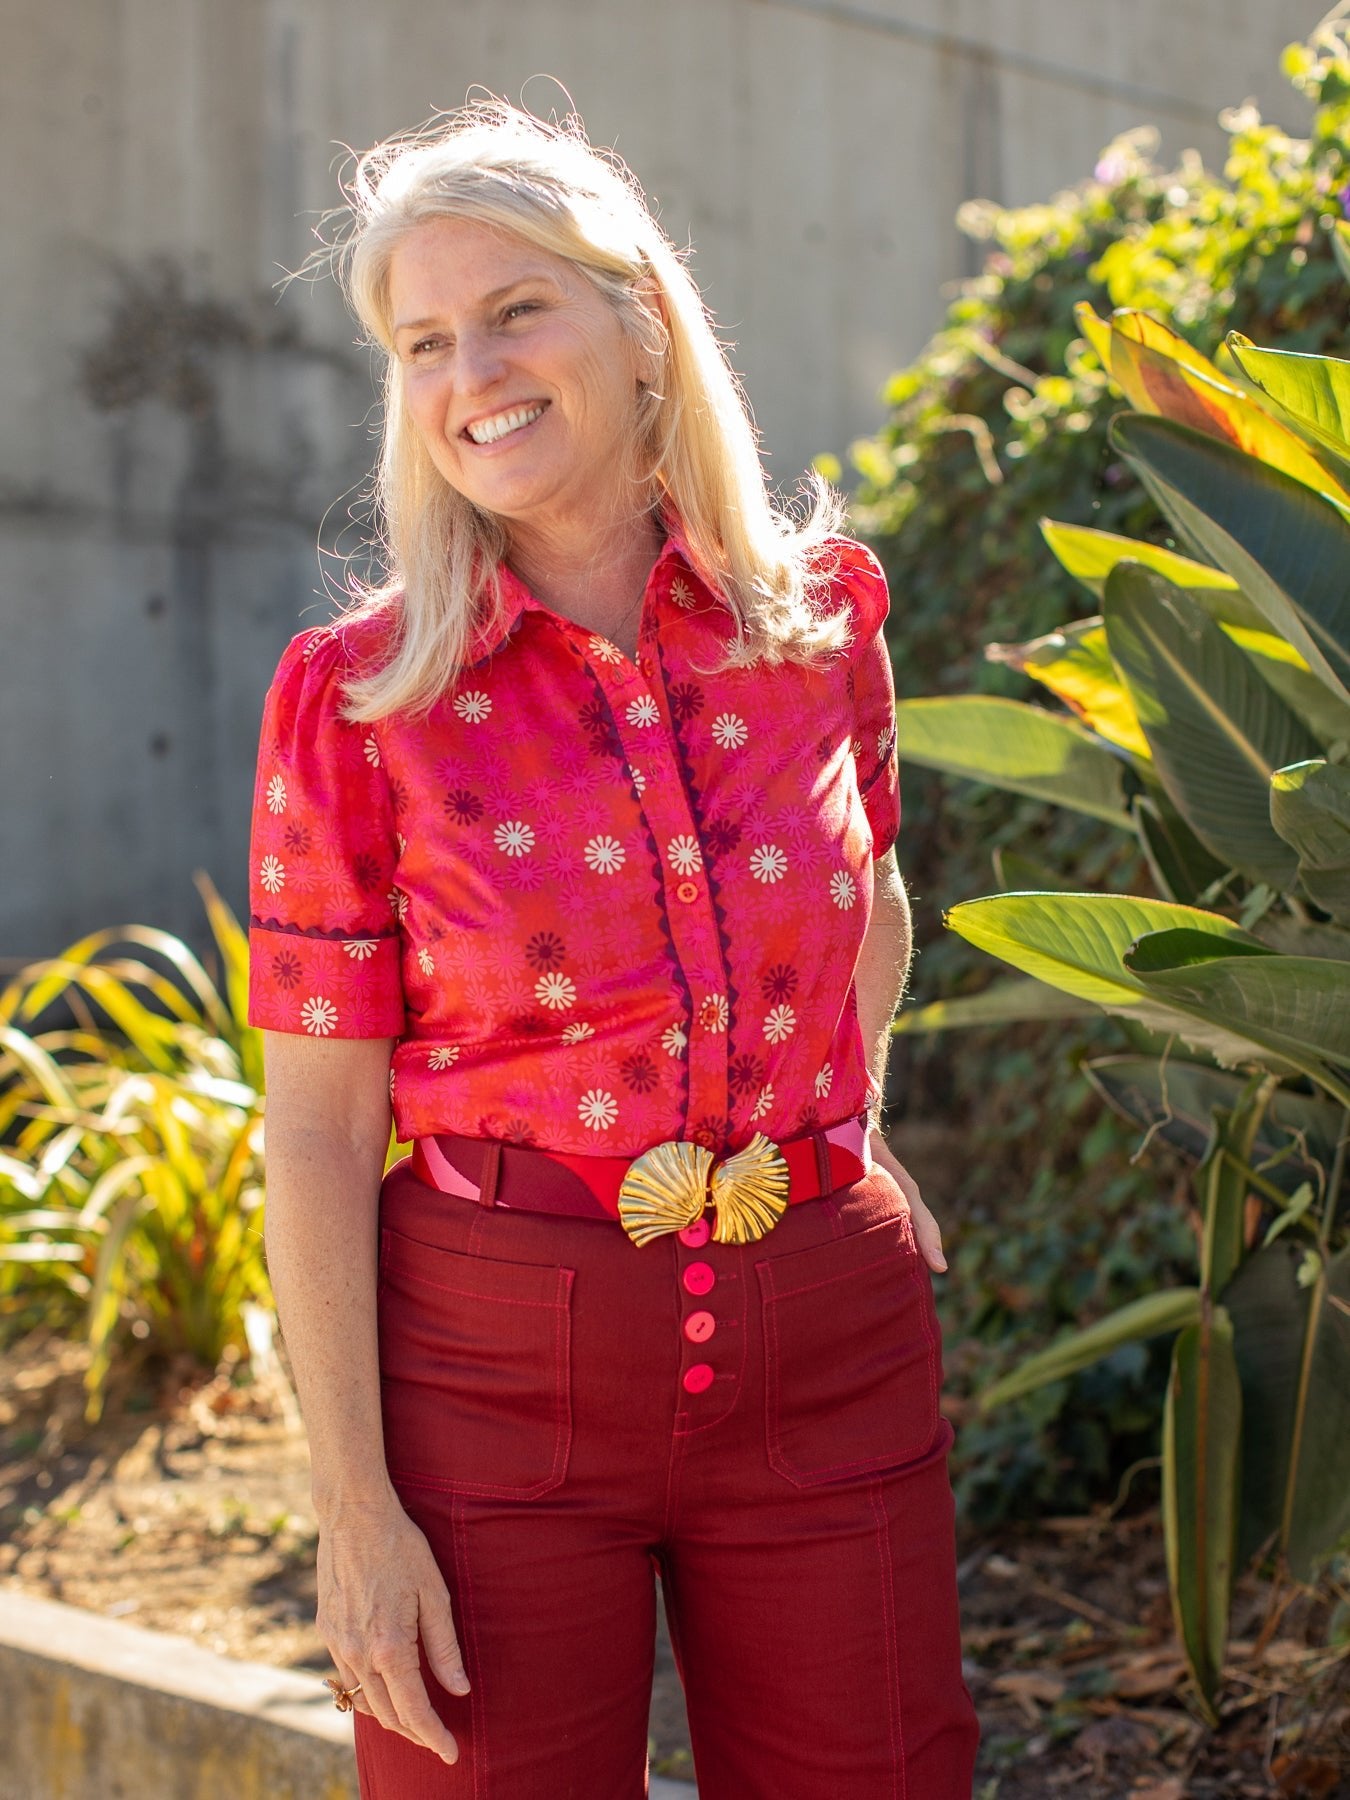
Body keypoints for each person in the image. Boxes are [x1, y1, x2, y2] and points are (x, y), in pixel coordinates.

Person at [248, 99, 979, 1799]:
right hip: (486, 1375)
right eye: (421, 340)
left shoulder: (818, 622)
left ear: (638, 318)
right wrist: (354, 1514)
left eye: (514, 310)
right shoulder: (360, 701)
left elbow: (867, 891)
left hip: (828, 1329)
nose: (468, 372)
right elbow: (317, 1126)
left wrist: (844, 1118)